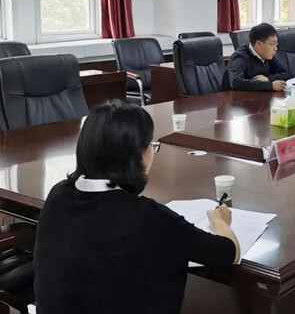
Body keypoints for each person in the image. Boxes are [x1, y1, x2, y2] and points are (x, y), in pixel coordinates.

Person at [34, 100, 240, 313]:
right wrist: (220, 221)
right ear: (138, 154)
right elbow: (229, 252)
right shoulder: (150, 218)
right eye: (151, 145)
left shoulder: (58, 195)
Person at [226, 22, 289, 91]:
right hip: (235, 96)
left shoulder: (267, 55)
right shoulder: (240, 57)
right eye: (272, 44)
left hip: (259, 95)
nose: (275, 48)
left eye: (276, 44)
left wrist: (268, 79)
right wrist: (269, 85)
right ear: (259, 44)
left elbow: (286, 73)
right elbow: (235, 82)